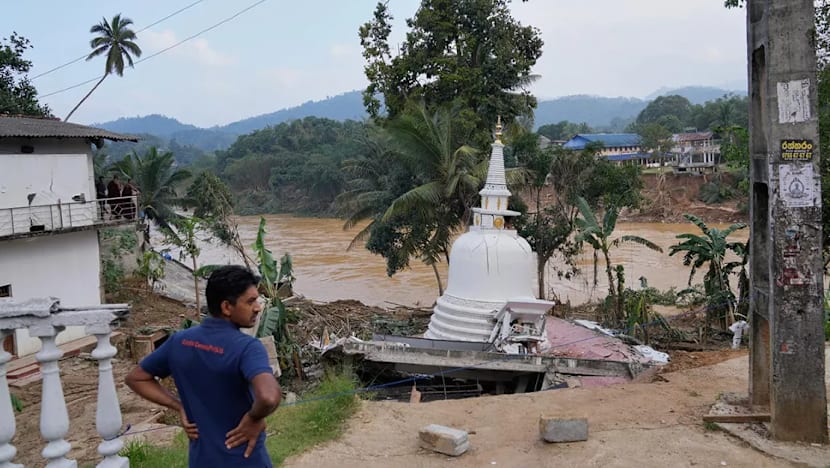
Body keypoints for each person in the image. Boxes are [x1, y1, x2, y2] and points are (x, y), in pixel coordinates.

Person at [126, 265, 281, 466]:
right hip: (245, 459)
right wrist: (253, 418)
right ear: (227, 307)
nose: (258, 307)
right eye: (250, 301)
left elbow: (136, 378)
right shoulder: (247, 348)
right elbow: (269, 397)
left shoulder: (179, 341)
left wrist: (179, 406)